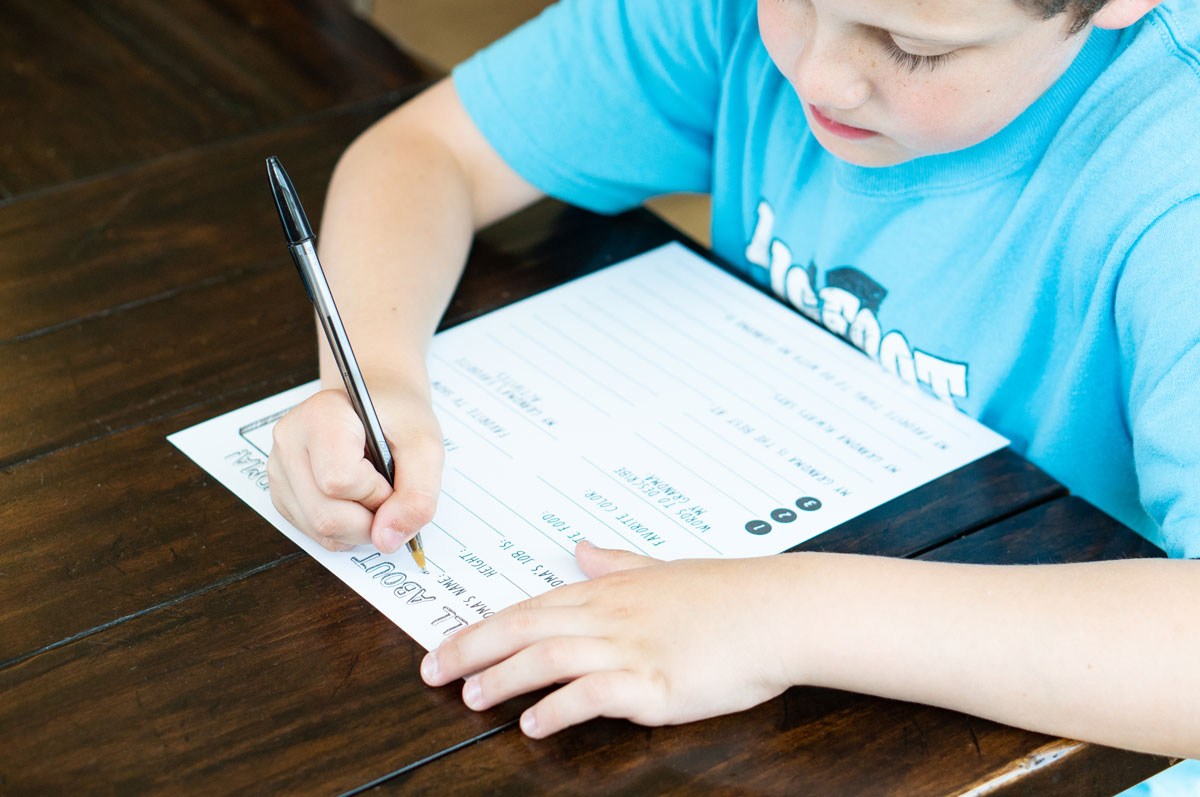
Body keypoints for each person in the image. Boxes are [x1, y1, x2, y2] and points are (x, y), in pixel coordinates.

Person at [266, 0, 1200, 771]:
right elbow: (427, 152)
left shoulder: (1171, 171)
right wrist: (375, 376)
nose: (819, 74)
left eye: (913, 48)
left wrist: (781, 614)